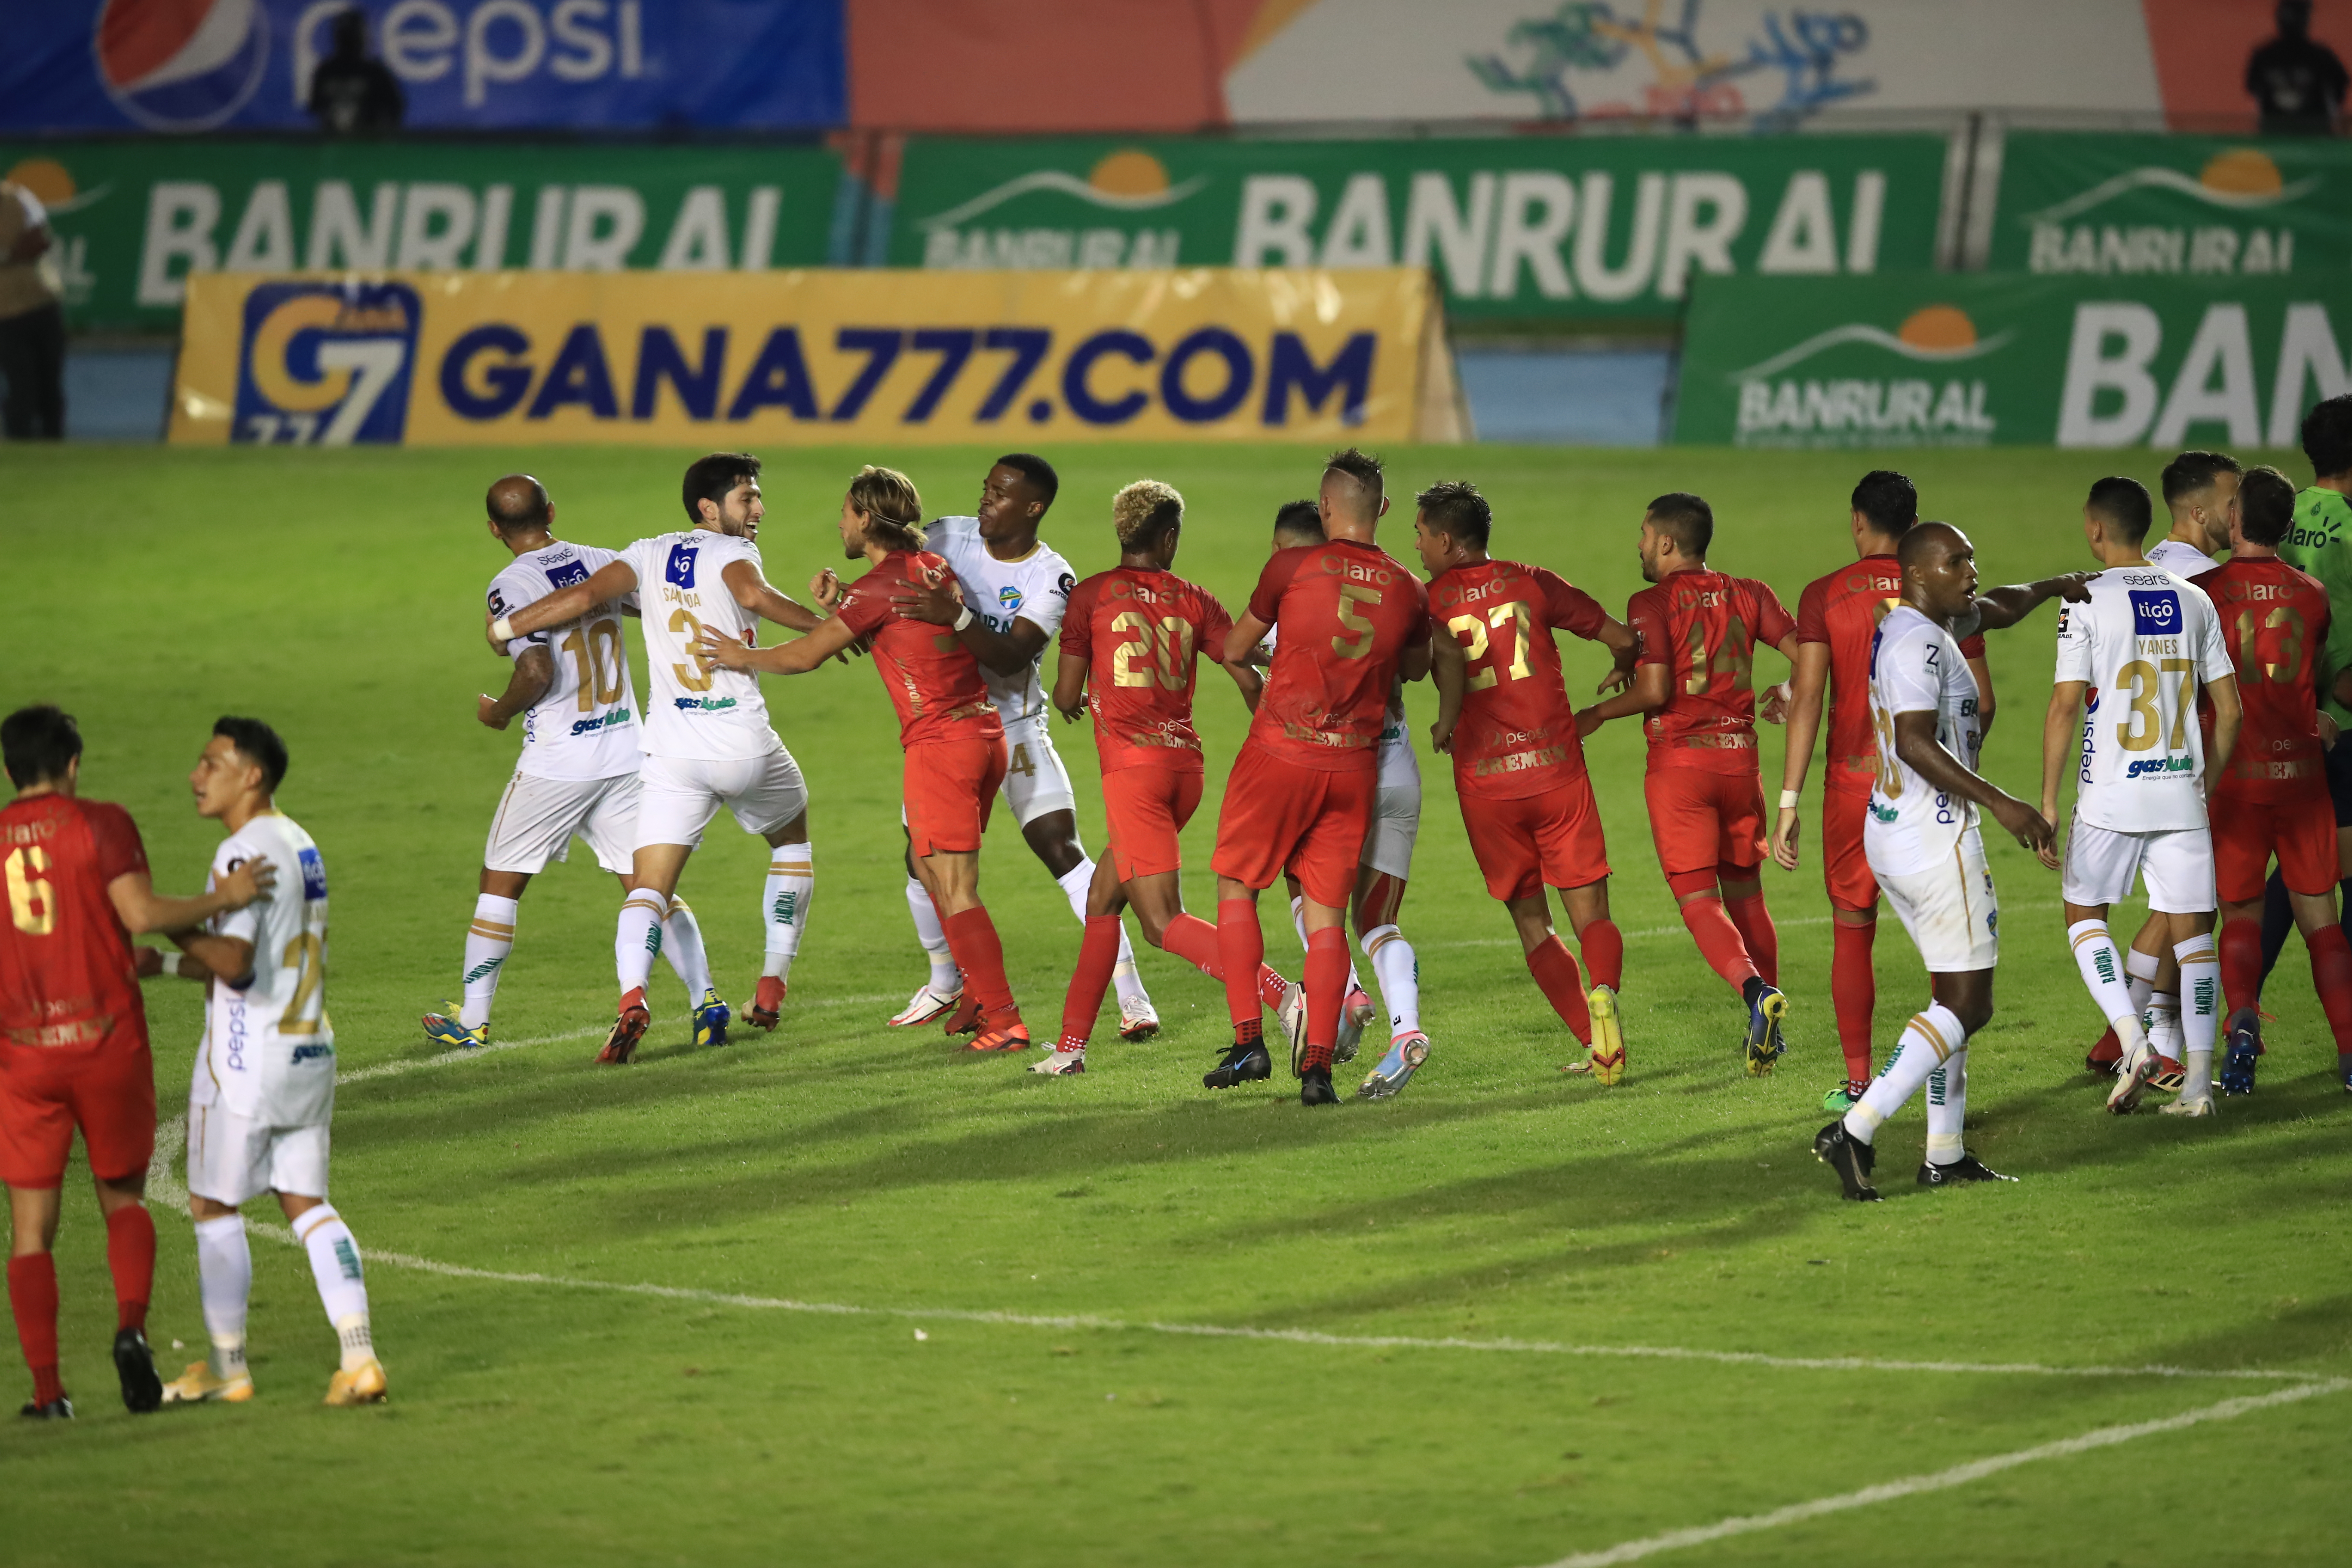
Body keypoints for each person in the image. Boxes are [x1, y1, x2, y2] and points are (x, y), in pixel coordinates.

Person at [487, 453, 827, 1063]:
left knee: (648, 888)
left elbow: (586, 594)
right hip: (742, 743)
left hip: (673, 755)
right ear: (709, 507)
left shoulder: (645, 552)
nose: (759, 509)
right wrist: (836, 621)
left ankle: (632, 998)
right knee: (792, 839)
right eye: (748, 498)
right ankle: (771, 982)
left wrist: (507, 628)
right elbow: (759, 596)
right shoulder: (734, 555)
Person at [1, 707, 273, 1419]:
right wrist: (226, 895)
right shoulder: (101, 822)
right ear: (73, 764)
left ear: (9, 770)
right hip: (105, 1041)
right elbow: (140, 912)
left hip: (25, 1056)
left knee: (30, 1229)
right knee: (122, 1196)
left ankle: (47, 1391)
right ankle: (130, 1329)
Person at [698, 467, 1029, 1052]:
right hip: (981, 737)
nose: (840, 523)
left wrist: (738, 655)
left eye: (846, 513)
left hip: (941, 747)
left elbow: (805, 657)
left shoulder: (881, 587)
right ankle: (979, 995)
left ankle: (1005, 1018)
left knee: (954, 886)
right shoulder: (928, 569)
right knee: (931, 872)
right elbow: (896, 626)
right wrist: (841, 600)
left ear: (867, 519)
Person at [1812, 526, 2077, 1200]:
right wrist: (2003, 803)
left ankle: (1945, 1153)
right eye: (1955, 561)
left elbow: (2003, 605)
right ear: (1917, 574)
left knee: (1948, 999)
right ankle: (1858, 1127)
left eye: (1971, 558)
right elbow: (1912, 742)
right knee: (1969, 1002)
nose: (1971, 569)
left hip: (1896, 830)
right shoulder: (1915, 643)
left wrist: (2054, 587)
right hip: (1935, 837)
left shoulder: (1933, 620)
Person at [423, 475, 729, 1055]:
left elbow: (536, 671)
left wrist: (501, 713)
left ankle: (474, 1019)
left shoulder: (510, 586)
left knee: (501, 883)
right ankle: (705, 999)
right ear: (552, 512)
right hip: (626, 750)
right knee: (649, 886)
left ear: (494, 529)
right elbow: (663, 608)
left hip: (560, 763)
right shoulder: (603, 561)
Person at [879, 455, 1160, 1044]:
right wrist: (841, 600)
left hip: (1016, 727)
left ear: (1032, 508)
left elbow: (1012, 655)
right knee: (920, 860)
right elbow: (886, 578)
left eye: (1001, 494)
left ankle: (1133, 998)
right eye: (986, 488)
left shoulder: (1051, 576)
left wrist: (953, 614)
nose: (986, 500)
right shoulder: (946, 536)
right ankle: (944, 981)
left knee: (1061, 849)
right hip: (949, 730)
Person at [153, 717, 387, 1407]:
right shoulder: (299, 841)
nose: (197, 776)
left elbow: (233, 961)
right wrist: (168, 965)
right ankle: (359, 1355)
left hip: (245, 1058)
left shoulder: (238, 855)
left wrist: (171, 920)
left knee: (212, 1202)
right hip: (309, 1046)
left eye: (211, 763)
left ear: (250, 775)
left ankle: (229, 1368)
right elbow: (250, 961)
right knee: (306, 1204)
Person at [1208, 449, 1431, 1106]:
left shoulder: (1292, 565)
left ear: (1325, 506)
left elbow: (1233, 648)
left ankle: (1250, 1039)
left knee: (1237, 887)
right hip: (1354, 765)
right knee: (1331, 918)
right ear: (1383, 510)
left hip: (1281, 751)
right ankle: (1318, 1071)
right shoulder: (1408, 589)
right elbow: (1414, 669)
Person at [1035, 480, 1280, 1076]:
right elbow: (1247, 671)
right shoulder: (1196, 599)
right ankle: (1070, 1049)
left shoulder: (1091, 596)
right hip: (1183, 771)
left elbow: (1064, 693)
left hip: (1133, 775)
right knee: (1102, 897)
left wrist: (1079, 698)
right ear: (1169, 537)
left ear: (1124, 533)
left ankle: (1287, 996)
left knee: (1161, 920)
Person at [1772, 472, 1993, 1110]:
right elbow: (1983, 699)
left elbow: (1808, 696)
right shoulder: (1942, 589)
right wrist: (1960, 764)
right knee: (1946, 943)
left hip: (1851, 786)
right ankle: (1939, 1087)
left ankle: (1860, 1078)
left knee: (1852, 929)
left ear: (1858, 522)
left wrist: (1788, 801)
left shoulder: (1824, 595)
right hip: (1928, 789)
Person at [1419, 481, 1638, 1090]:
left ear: (1444, 539)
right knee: (1591, 909)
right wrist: (1624, 662)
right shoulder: (1532, 581)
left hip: (1488, 784)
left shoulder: (1429, 601)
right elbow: (1622, 637)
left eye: (1419, 534)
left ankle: (1596, 1044)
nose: (1416, 546)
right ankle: (1603, 996)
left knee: (1533, 923)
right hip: (1556, 769)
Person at [1577, 493, 1797, 1075]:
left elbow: (1655, 691)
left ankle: (1756, 995)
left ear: (1668, 542)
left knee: (1700, 899)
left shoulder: (1650, 601)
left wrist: (1597, 715)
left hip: (1681, 767)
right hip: (1740, 760)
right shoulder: (1751, 593)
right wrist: (1793, 694)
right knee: (1747, 894)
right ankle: (1770, 1017)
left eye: (1645, 535)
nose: (1641, 545)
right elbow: (1807, 652)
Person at [2042, 478, 2242, 1117]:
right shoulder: (2194, 598)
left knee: (2084, 916)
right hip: (2180, 793)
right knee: (2195, 937)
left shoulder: (2085, 600)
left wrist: (2047, 801)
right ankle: (2201, 1087)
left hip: (2111, 797)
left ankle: (2133, 1040)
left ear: (2095, 529)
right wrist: (2201, 782)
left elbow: (2066, 705)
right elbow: (2231, 711)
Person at [2193, 466, 2352, 1093]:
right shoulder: (2313, 595)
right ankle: (2348, 1055)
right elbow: (2301, 678)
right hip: (2303, 780)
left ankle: (2241, 1027)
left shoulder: (2204, 592)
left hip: (2237, 783)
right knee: (2324, 923)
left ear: (2234, 519)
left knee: (2239, 918)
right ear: (2287, 526)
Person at [2260, 394, 2352, 1061]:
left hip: (2281, 720)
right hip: (2341, 724)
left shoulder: (2285, 518)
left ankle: (2227, 1004)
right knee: (2324, 873)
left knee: (2300, 870)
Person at [0, 175, 64, 441]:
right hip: (5, 314)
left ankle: (54, 447)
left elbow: (41, 240)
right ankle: (20, 447)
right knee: (21, 386)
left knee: (50, 387)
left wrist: (6, 255)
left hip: (42, 302)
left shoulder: (18, 197)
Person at [2246, 0, 2346, 135]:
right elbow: (2340, 88)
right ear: (2306, 20)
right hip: (2314, 136)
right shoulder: (2321, 56)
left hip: (2276, 136)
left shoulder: (2263, 56)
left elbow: (2253, 89)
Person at [308, 8, 405, 136]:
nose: (349, 41)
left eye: (352, 35)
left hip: (367, 146)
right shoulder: (326, 72)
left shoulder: (376, 73)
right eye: (345, 36)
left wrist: (382, 136)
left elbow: (394, 110)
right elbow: (316, 107)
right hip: (333, 145)